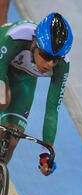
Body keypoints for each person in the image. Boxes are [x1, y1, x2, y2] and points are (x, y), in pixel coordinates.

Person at [0, 12, 73, 175]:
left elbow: (52, 109)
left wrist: (46, 152)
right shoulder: (16, 37)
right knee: (2, 98)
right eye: (46, 55)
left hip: (24, 80)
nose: (50, 63)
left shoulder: (62, 66)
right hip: (1, 66)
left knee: (11, 141)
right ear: (34, 42)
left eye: (56, 59)